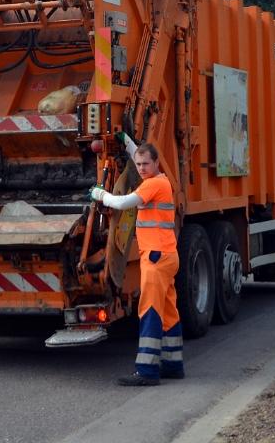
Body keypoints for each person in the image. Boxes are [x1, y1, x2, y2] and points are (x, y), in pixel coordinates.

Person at [90, 142, 183, 386]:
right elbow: (138, 153)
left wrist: (101, 195)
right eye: (138, 164)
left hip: (155, 258)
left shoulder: (153, 184)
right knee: (168, 312)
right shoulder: (161, 181)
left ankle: (147, 371)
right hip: (166, 255)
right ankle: (173, 365)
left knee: (150, 311)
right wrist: (125, 139)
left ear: (156, 163)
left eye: (145, 164)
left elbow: (122, 203)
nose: (141, 168)